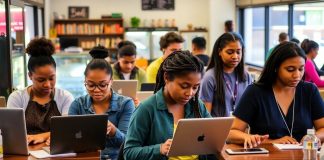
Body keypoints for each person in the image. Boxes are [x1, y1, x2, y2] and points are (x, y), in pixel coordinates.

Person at [227, 42, 324, 148]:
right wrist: (267, 141)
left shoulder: (309, 91)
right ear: (275, 68)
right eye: (290, 70)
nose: (297, 75)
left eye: (301, 69)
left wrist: (315, 137)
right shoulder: (255, 92)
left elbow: (322, 128)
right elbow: (231, 133)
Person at [124, 51, 212, 160]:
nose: (190, 93)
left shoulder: (197, 105)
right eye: (184, 86)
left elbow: (211, 138)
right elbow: (129, 153)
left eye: (195, 87)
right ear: (166, 77)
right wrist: (160, 149)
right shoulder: (147, 109)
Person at [68, 46, 135, 160]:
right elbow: (70, 141)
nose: (96, 90)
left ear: (111, 82)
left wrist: (113, 130)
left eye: (103, 85)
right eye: (90, 85)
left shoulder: (126, 104)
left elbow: (128, 144)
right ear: (85, 82)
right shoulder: (77, 104)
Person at [7, 37, 74, 144]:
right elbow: (12, 133)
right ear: (30, 76)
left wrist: (42, 136)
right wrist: (51, 134)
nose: (47, 84)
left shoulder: (65, 97)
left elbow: (68, 130)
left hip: (56, 153)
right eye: (41, 80)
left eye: (52, 78)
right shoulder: (17, 98)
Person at [200, 32, 253, 117]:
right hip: (218, 129)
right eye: (230, 52)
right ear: (219, 52)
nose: (235, 56)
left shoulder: (246, 76)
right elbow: (205, 116)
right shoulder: (210, 77)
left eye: (238, 52)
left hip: (241, 128)